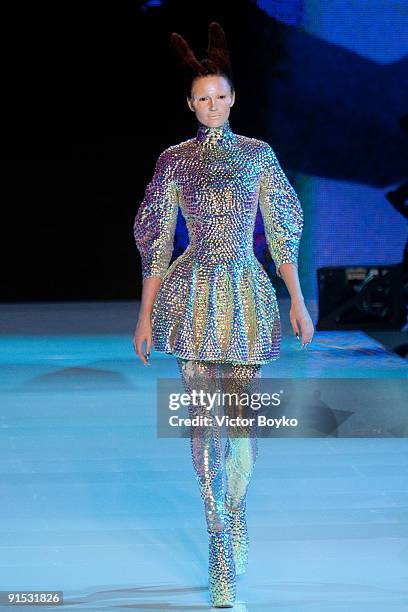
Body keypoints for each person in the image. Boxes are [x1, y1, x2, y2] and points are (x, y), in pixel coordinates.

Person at [133, 22, 314, 608]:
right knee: (200, 426)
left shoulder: (259, 156)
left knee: (240, 427)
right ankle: (216, 536)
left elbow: (283, 235)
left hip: (245, 299)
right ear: (190, 103)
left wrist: (298, 299)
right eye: (201, 97)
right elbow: (158, 242)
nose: (211, 105)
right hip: (191, 300)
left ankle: (236, 514)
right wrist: (144, 316)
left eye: (220, 95)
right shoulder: (173, 160)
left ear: (234, 98)